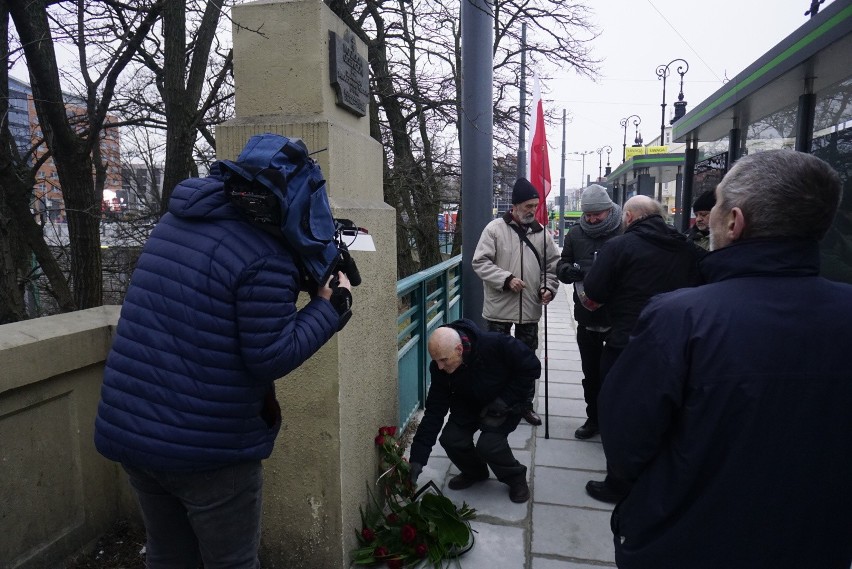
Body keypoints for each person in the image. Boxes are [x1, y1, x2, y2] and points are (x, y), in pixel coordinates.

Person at [93, 139, 351, 568]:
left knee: (168, 556)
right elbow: (270, 354)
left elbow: (210, 299)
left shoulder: (176, 222)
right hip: (206, 449)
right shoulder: (265, 253)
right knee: (231, 561)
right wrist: (329, 308)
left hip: (134, 430)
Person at [598, 149, 852, 569]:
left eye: (715, 205)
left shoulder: (680, 318)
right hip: (816, 544)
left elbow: (626, 442)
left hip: (686, 541)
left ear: (734, 222)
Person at [581, 194, 700, 503]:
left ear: (630, 218)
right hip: (677, 345)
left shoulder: (619, 247)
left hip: (627, 343)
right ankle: (659, 478)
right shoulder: (688, 247)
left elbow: (594, 290)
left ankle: (618, 483)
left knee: (617, 410)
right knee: (666, 412)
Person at [407, 319, 540, 503]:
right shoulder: (440, 368)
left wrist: (506, 400)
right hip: (468, 404)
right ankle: (475, 471)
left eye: (443, 360)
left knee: (489, 445)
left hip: (502, 404)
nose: (439, 367)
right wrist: (417, 458)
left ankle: (515, 478)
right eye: (435, 361)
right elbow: (434, 412)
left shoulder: (496, 344)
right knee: (451, 439)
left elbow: (531, 366)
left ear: (459, 349)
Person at [471, 177, 560, 426]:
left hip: (530, 309)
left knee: (527, 360)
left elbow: (552, 267)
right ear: (515, 206)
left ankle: (524, 405)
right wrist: (506, 278)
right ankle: (494, 403)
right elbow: (480, 262)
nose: (533, 210)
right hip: (499, 309)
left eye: (535, 205)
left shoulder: (542, 234)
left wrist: (548, 288)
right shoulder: (494, 230)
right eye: (528, 206)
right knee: (493, 359)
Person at [556, 184, 623, 440]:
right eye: (589, 215)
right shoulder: (575, 234)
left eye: (598, 214)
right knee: (591, 374)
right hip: (586, 314)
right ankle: (593, 418)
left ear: (609, 209)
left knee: (615, 375)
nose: (593, 219)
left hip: (616, 318)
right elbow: (563, 262)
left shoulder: (624, 230)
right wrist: (565, 272)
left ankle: (614, 421)